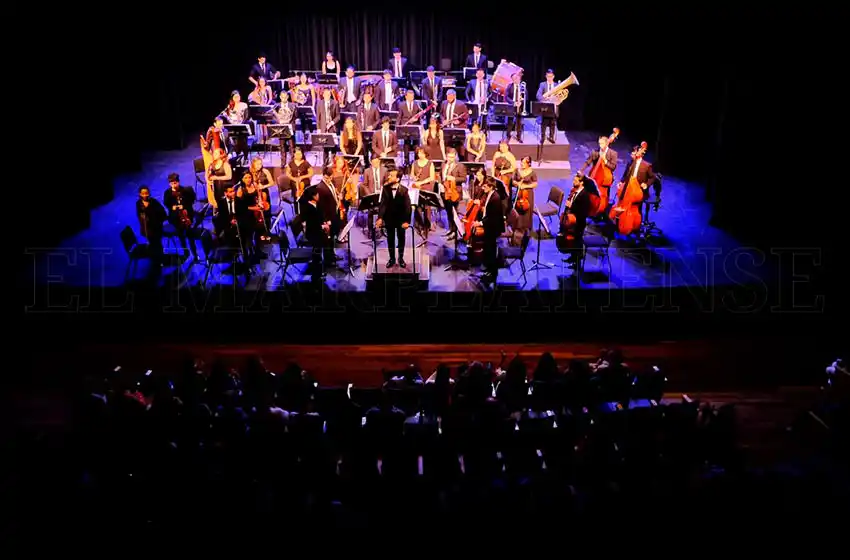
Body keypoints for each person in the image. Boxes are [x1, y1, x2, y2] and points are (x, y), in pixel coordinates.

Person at [376, 168, 411, 269]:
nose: (389, 177)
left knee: (401, 238)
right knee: (390, 239)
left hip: (401, 220)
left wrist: (406, 221)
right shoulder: (385, 188)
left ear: (398, 179)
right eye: (389, 175)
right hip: (389, 219)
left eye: (391, 176)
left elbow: (407, 207)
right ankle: (392, 258)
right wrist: (380, 218)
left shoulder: (404, 190)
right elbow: (383, 205)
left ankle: (401, 258)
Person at [162, 172, 200, 262]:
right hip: (176, 218)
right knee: (181, 237)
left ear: (178, 182)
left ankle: (195, 254)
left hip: (186, 217)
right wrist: (173, 207)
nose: (174, 185)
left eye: (175, 183)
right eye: (172, 183)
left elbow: (192, 200)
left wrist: (185, 206)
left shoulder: (185, 191)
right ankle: (186, 253)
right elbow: (166, 203)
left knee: (190, 237)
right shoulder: (168, 193)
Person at [473, 177, 504, 281]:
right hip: (490, 224)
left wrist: (480, 223)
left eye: (485, 186)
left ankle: (492, 273)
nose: (483, 188)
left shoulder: (495, 198)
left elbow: (492, 217)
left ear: (491, 187)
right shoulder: (489, 194)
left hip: (493, 227)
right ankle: (488, 268)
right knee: (488, 247)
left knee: (490, 248)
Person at [300, 186, 331, 272]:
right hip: (312, 232)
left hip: (317, 229)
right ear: (313, 196)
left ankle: (325, 261)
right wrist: (323, 226)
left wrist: (325, 222)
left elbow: (321, 217)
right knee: (324, 242)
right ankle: (318, 266)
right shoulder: (308, 209)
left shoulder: (316, 204)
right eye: (317, 194)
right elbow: (312, 225)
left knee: (327, 240)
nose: (318, 195)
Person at [136, 185, 166, 265]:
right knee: (152, 244)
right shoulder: (139, 204)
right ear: (140, 194)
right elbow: (139, 215)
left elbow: (162, 213)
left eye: (146, 193)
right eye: (143, 193)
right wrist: (143, 218)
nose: (145, 195)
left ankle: (160, 260)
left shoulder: (154, 202)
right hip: (147, 229)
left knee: (158, 244)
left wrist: (157, 219)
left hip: (156, 228)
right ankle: (154, 260)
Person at [440, 148, 466, 240]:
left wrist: (453, 178)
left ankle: (455, 231)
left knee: (454, 212)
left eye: (452, 157)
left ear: (455, 157)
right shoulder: (444, 164)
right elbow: (441, 176)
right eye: (449, 157)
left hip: (455, 192)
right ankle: (451, 229)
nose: (450, 159)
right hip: (445, 191)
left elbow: (463, 179)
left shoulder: (460, 166)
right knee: (448, 212)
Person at [410, 147, 436, 231]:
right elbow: (411, 175)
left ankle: (427, 225)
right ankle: (419, 224)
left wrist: (421, 183)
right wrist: (414, 178)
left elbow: (431, 178)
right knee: (417, 206)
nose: (419, 155)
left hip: (427, 186)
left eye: (421, 153)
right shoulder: (414, 163)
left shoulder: (430, 163)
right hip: (417, 186)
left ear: (425, 154)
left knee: (427, 206)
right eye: (418, 153)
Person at [512, 156, 537, 231]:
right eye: (521, 162)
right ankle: (517, 225)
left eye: (524, 163)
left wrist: (525, 186)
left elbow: (535, 184)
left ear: (528, 164)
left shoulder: (532, 172)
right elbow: (513, 181)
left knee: (527, 210)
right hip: (519, 193)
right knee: (518, 207)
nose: (521, 164)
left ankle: (526, 227)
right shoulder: (517, 170)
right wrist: (517, 183)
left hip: (528, 194)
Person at [535, 69, 559, 143]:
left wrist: (558, 100)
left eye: (551, 76)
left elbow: (560, 96)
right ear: (546, 76)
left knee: (553, 123)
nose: (549, 78)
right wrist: (545, 98)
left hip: (554, 106)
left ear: (553, 76)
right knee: (544, 123)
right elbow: (538, 95)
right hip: (545, 106)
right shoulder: (542, 84)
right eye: (548, 76)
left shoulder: (557, 85)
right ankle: (543, 137)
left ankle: (551, 137)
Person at [273, 90, 297, 158]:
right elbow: (273, 117)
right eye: (282, 97)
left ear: (288, 97)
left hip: (290, 127)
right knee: (282, 146)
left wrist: (295, 110)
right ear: (280, 97)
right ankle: (283, 162)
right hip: (281, 128)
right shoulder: (276, 106)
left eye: (285, 97)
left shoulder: (292, 105)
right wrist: (279, 120)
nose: (284, 99)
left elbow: (295, 116)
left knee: (292, 146)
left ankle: (292, 161)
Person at [504, 71, 524, 142]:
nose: (516, 79)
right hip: (512, 106)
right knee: (510, 122)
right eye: (514, 78)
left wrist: (522, 100)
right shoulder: (510, 86)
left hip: (520, 106)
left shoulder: (522, 86)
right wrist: (514, 103)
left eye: (517, 78)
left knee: (519, 122)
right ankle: (508, 135)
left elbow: (526, 96)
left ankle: (519, 136)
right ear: (512, 79)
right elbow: (506, 97)